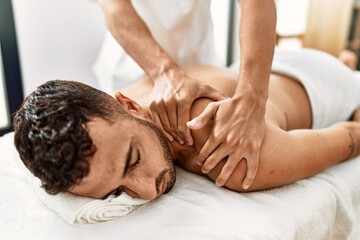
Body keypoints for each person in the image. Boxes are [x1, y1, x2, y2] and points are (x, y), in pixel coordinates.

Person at [13, 49, 360, 200]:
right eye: (117, 192)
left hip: (320, 84)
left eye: (132, 160)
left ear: (130, 105)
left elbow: (349, 137)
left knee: (349, 86)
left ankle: (348, 70)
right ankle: (346, 60)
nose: (147, 191)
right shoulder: (120, 105)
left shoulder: (229, 156)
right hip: (274, 64)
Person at [95, 0, 277, 189]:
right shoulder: (129, 106)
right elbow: (114, 6)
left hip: (199, 55)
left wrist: (252, 97)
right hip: (135, 65)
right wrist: (165, 72)